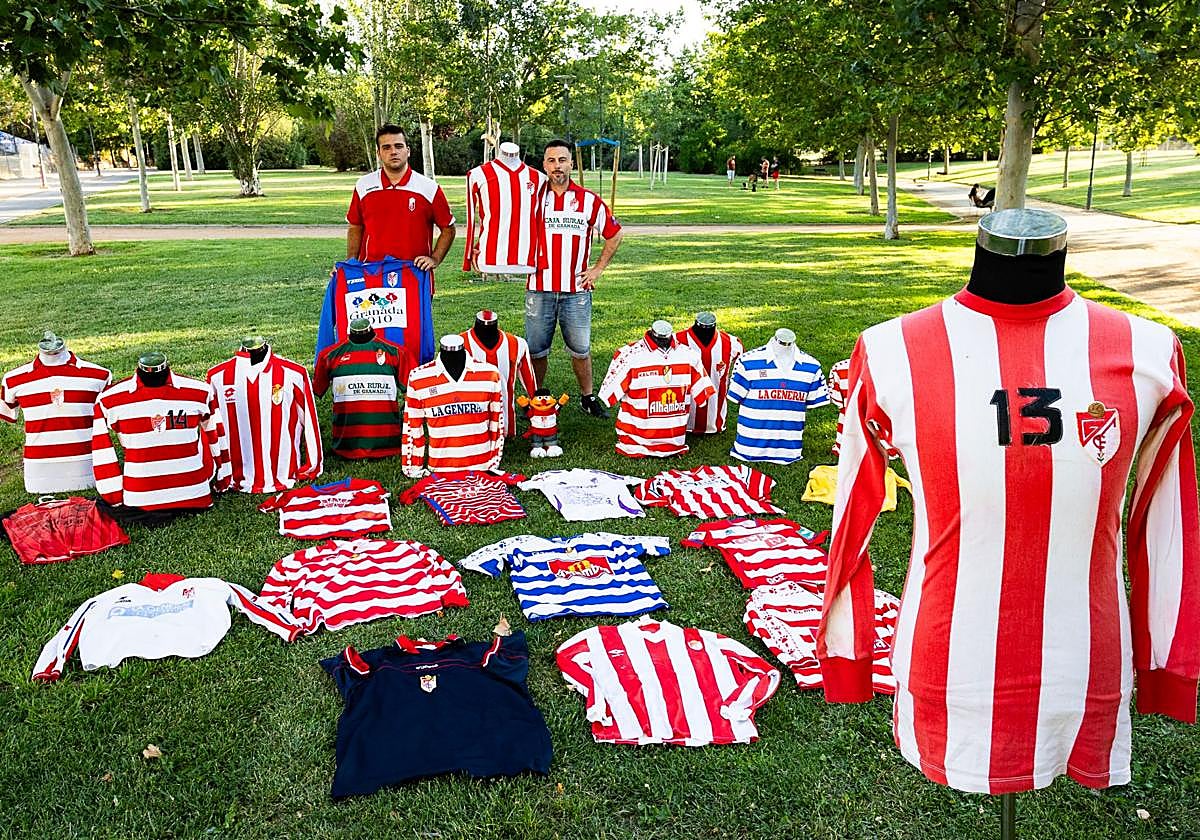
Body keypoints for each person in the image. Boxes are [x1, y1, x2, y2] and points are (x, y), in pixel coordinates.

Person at [526, 139, 624, 418]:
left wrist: (597, 269)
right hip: (539, 288)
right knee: (536, 350)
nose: (557, 166)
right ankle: (536, 397)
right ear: (544, 165)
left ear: (571, 163)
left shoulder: (588, 200)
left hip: (576, 290)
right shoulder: (532, 199)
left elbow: (615, 234)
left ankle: (587, 397)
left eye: (562, 160)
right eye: (551, 161)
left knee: (580, 349)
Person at [345, 125, 456, 271]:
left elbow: (448, 228)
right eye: (386, 148)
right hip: (372, 273)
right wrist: (351, 263)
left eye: (398, 146)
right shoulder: (364, 185)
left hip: (415, 274)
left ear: (407, 151)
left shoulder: (428, 188)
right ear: (378, 153)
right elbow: (355, 226)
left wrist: (435, 258)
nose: (393, 152)